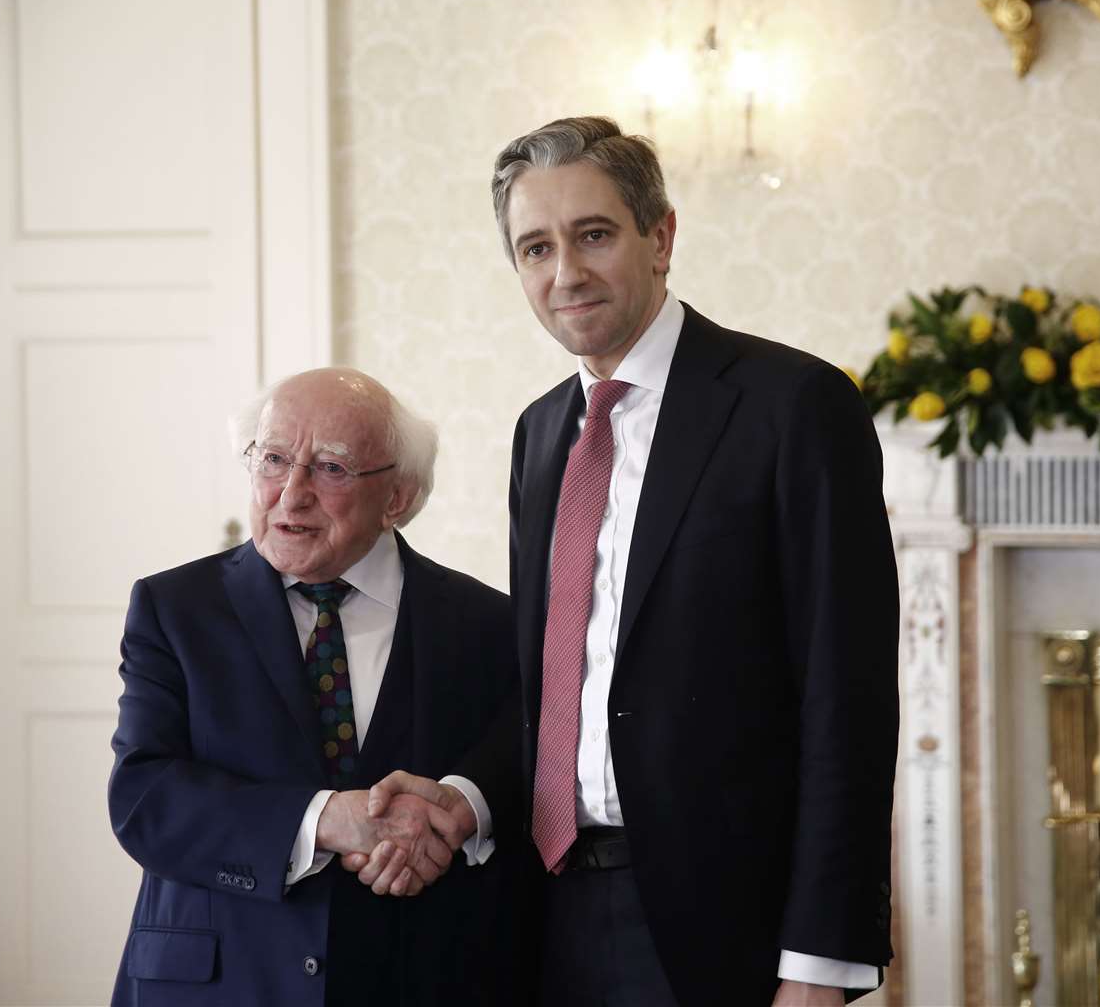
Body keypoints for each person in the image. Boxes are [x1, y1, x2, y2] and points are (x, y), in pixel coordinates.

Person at [362, 116, 900, 1006]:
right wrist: (466, 797)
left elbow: (848, 701)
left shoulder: (793, 406)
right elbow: (559, 688)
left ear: (662, 237)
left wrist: (820, 962)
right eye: (535, 248)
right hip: (549, 916)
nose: (565, 273)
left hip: (725, 929)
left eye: (594, 235)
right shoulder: (540, 434)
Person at [107, 368, 522, 1007]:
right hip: (218, 981)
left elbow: (528, 760)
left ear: (398, 497)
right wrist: (327, 819)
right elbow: (145, 798)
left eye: (331, 468)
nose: (290, 494)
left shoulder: (489, 623)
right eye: (273, 459)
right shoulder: (174, 607)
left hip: (418, 975)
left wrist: (454, 811)